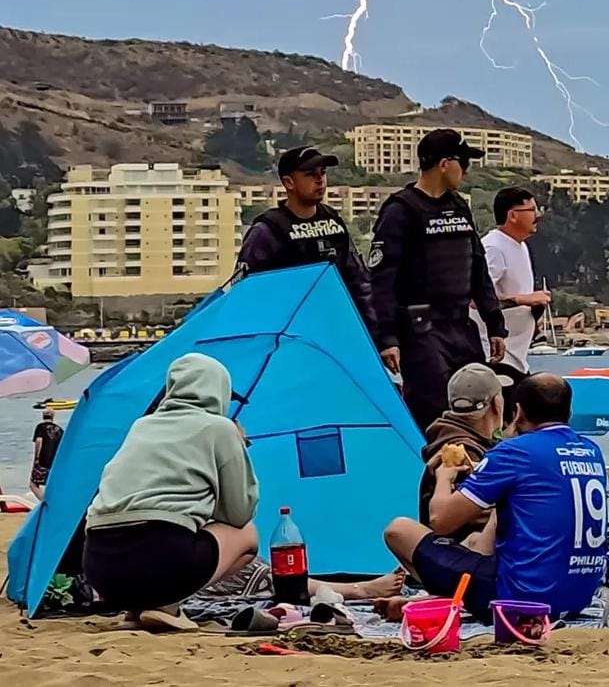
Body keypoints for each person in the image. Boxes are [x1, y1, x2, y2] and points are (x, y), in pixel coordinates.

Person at [384, 373, 608, 623]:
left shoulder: (513, 452)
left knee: (399, 530)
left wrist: (444, 477)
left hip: (522, 598)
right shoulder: (591, 451)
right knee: (484, 537)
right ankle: (448, 599)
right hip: (577, 595)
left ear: (518, 410)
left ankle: (447, 601)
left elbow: (441, 521)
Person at [83, 353, 260, 627]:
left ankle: (135, 608)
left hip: (101, 570)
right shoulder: (220, 428)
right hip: (163, 561)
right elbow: (239, 512)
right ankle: (167, 603)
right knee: (247, 534)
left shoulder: (141, 426)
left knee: (155, 527)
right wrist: (238, 449)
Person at [369, 129, 507, 432]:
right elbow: (382, 281)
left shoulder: (459, 206)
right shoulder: (400, 211)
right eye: (463, 163)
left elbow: (478, 267)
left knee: (478, 401)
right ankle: (435, 474)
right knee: (434, 410)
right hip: (421, 331)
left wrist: (494, 323)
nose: (467, 171)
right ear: (444, 163)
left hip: (461, 325)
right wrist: (388, 339)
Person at [235, 146, 378, 342]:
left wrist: (379, 337)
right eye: (310, 174)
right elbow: (245, 294)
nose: (320, 180)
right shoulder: (267, 231)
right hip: (288, 337)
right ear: (289, 182)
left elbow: (359, 282)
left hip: (337, 331)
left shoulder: (332, 220)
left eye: (323, 173)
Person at [419, 363, 511, 539]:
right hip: (465, 556)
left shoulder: (445, 441)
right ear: (497, 404)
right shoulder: (464, 455)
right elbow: (470, 522)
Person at [476, 188, 551, 375]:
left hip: (517, 357)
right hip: (496, 358)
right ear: (513, 216)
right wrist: (522, 300)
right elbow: (474, 300)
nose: (538, 215)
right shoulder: (494, 247)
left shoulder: (520, 245)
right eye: (532, 210)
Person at [30, 408, 63, 501]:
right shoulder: (59, 430)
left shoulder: (40, 427)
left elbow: (39, 441)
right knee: (51, 482)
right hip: (55, 461)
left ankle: (44, 501)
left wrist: (36, 457)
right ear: (53, 417)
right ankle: (54, 500)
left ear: (43, 416)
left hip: (43, 460)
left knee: (33, 484)